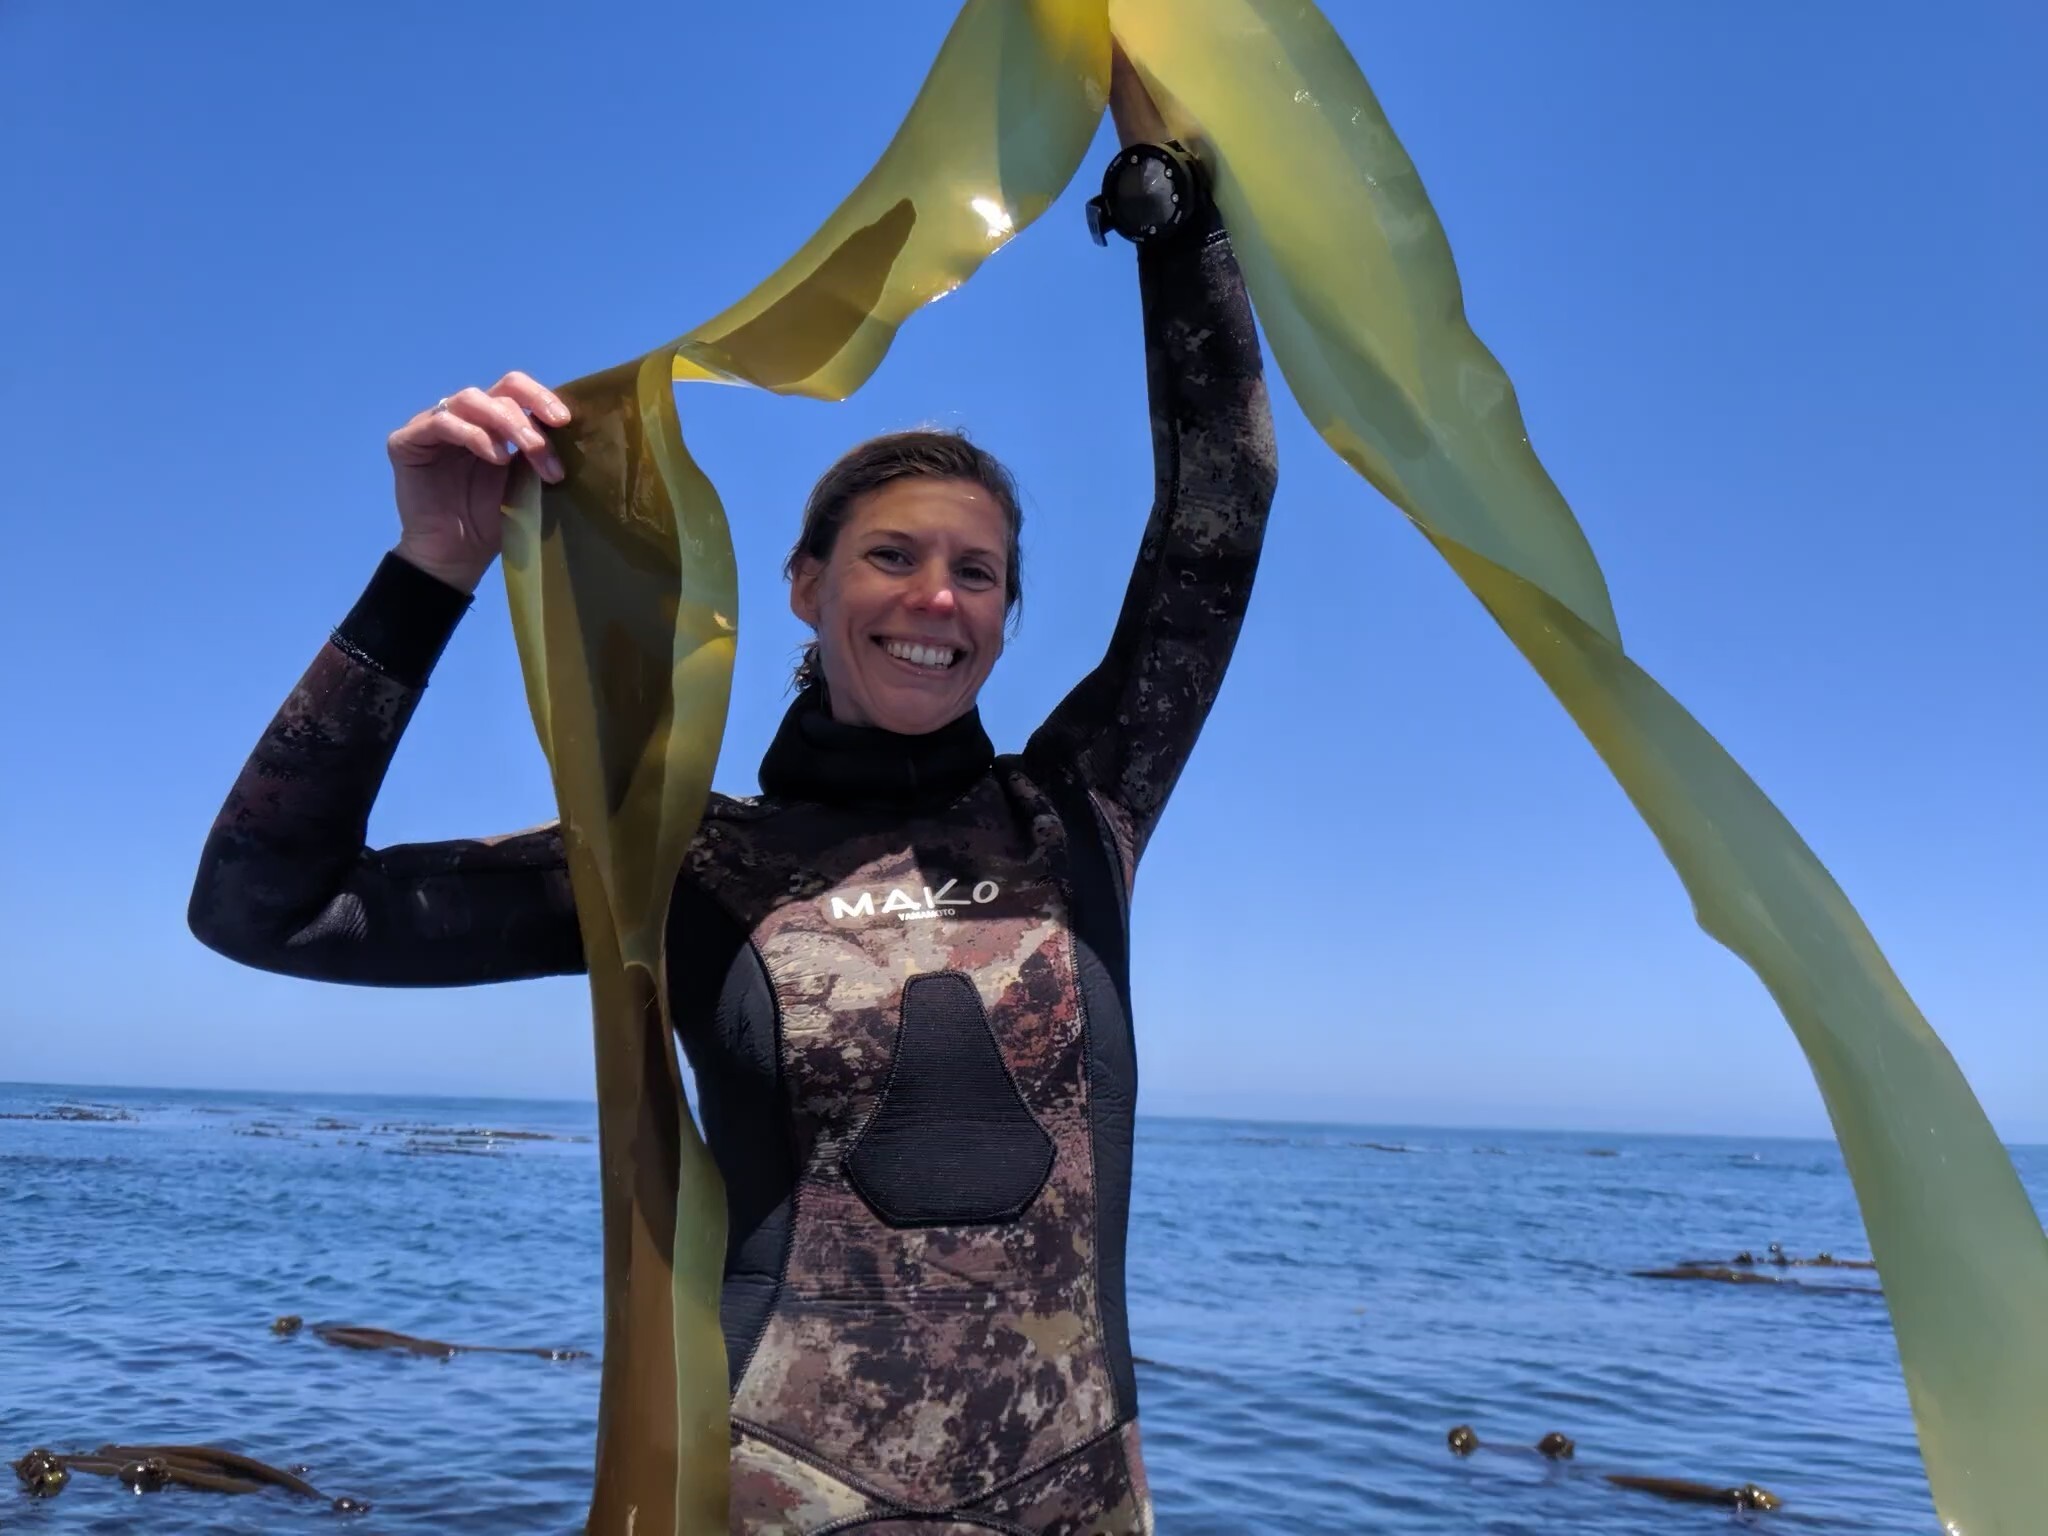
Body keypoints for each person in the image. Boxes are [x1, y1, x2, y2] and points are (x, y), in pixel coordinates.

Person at [187, 67, 1278, 1536]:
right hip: (781, 1501)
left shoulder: (1079, 811)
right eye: (891, 557)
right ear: (806, 588)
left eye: (978, 573)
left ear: (1008, 617)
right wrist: (429, 572)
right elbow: (270, 906)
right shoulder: (687, 864)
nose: (937, 598)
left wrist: (1169, 204)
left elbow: (1218, 514)